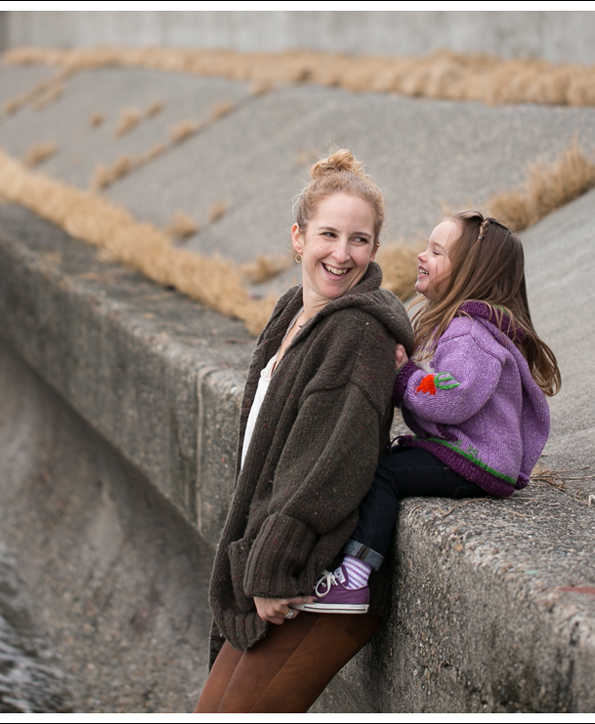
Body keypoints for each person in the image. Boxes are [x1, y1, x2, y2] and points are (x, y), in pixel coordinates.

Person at [194, 150, 414, 713]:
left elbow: (330, 462)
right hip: (279, 566)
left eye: (359, 240)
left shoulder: (358, 334)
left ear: (375, 249)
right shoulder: (294, 312)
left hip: (311, 582)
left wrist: (274, 564)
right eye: (329, 235)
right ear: (298, 237)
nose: (342, 254)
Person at [292, 209, 561, 614]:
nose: (421, 256)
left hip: (476, 460)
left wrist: (404, 375)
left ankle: (354, 577)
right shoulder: (459, 326)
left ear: (472, 274)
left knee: (382, 474)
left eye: (436, 252)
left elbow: (451, 397)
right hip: (464, 452)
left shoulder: (470, 333)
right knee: (383, 463)